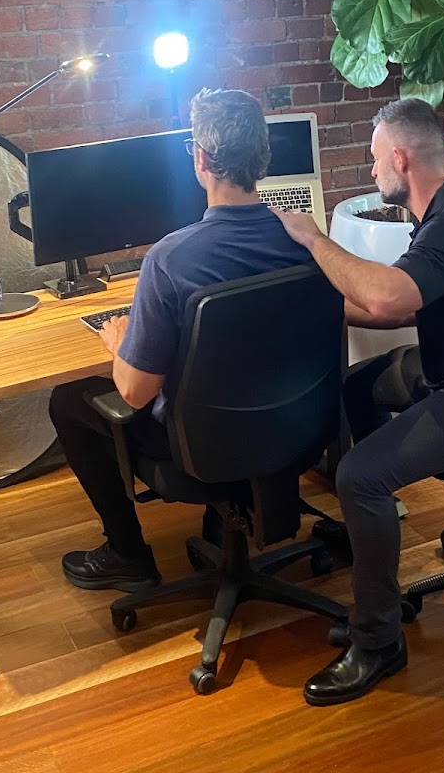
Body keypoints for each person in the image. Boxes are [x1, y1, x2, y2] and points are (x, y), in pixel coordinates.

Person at [272, 97, 444, 706]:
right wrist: (290, 308)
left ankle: (378, 642)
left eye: (374, 161)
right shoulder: (442, 214)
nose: (371, 173)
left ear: (399, 157)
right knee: (353, 388)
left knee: (358, 477)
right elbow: (378, 300)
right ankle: (375, 530)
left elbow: (389, 300)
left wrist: (315, 239)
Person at [50, 88, 310, 591]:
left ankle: (127, 552)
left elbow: (134, 392)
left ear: (202, 158)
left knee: (67, 401)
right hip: (293, 433)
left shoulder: (170, 260)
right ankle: (223, 523)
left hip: (199, 453)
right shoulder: (304, 238)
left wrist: (119, 343)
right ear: (265, 154)